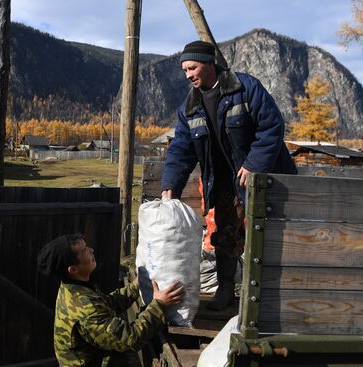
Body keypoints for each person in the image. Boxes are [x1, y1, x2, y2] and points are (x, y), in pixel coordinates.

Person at [161, 40, 297, 310]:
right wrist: (170, 185)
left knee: (268, 235)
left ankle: (266, 296)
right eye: (185, 70)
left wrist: (254, 163)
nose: (188, 75)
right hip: (224, 183)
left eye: (192, 67)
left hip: (263, 179)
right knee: (224, 236)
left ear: (209, 64)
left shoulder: (245, 88)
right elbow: (181, 149)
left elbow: (271, 127)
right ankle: (225, 290)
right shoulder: (190, 106)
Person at [37, 233, 185, 366]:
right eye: (84, 251)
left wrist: (135, 286)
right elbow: (131, 339)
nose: (91, 250)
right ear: (73, 269)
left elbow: (107, 304)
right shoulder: (84, 307)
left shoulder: (73, 287)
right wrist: (159, 304)